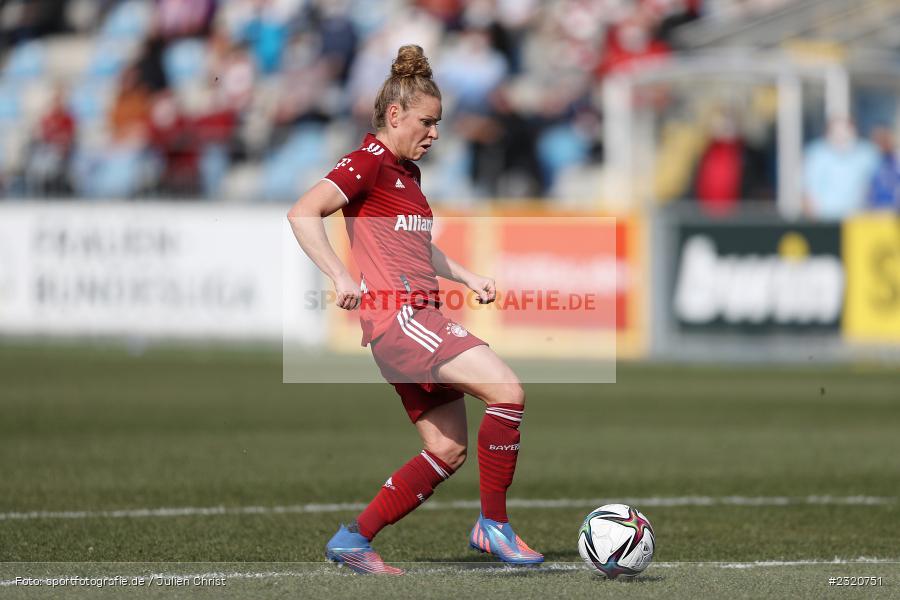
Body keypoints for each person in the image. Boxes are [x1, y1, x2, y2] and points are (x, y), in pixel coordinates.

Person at [287, 44, 543, 575]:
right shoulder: (367, 164)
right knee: (508, 392)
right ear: (394, 114)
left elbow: (417, 244)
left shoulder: (407, 176)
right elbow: (303, 211)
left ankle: (352, 539)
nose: (434, 133)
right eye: (427, 122)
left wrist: (468, 276)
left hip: (411, 321)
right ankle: (492, 526)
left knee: (447, 450)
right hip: (403, 320)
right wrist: (339, 274)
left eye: (440, 123)